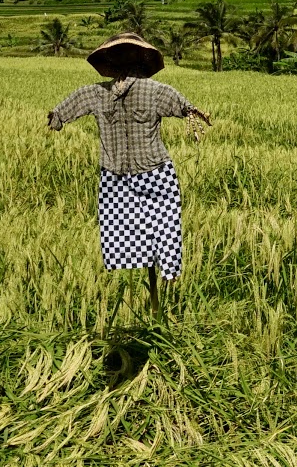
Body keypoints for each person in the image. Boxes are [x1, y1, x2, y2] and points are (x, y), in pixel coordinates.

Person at [47, 32, 210, 315]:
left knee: (151, 229)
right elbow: (181, 103)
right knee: (155, 229)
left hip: (131, 175)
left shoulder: (127, 92)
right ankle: (164, 272)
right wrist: (190, 111)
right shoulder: (118, 92)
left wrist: (57, 118)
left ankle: (162, 271)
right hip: (139, 173)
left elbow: (180, 103)